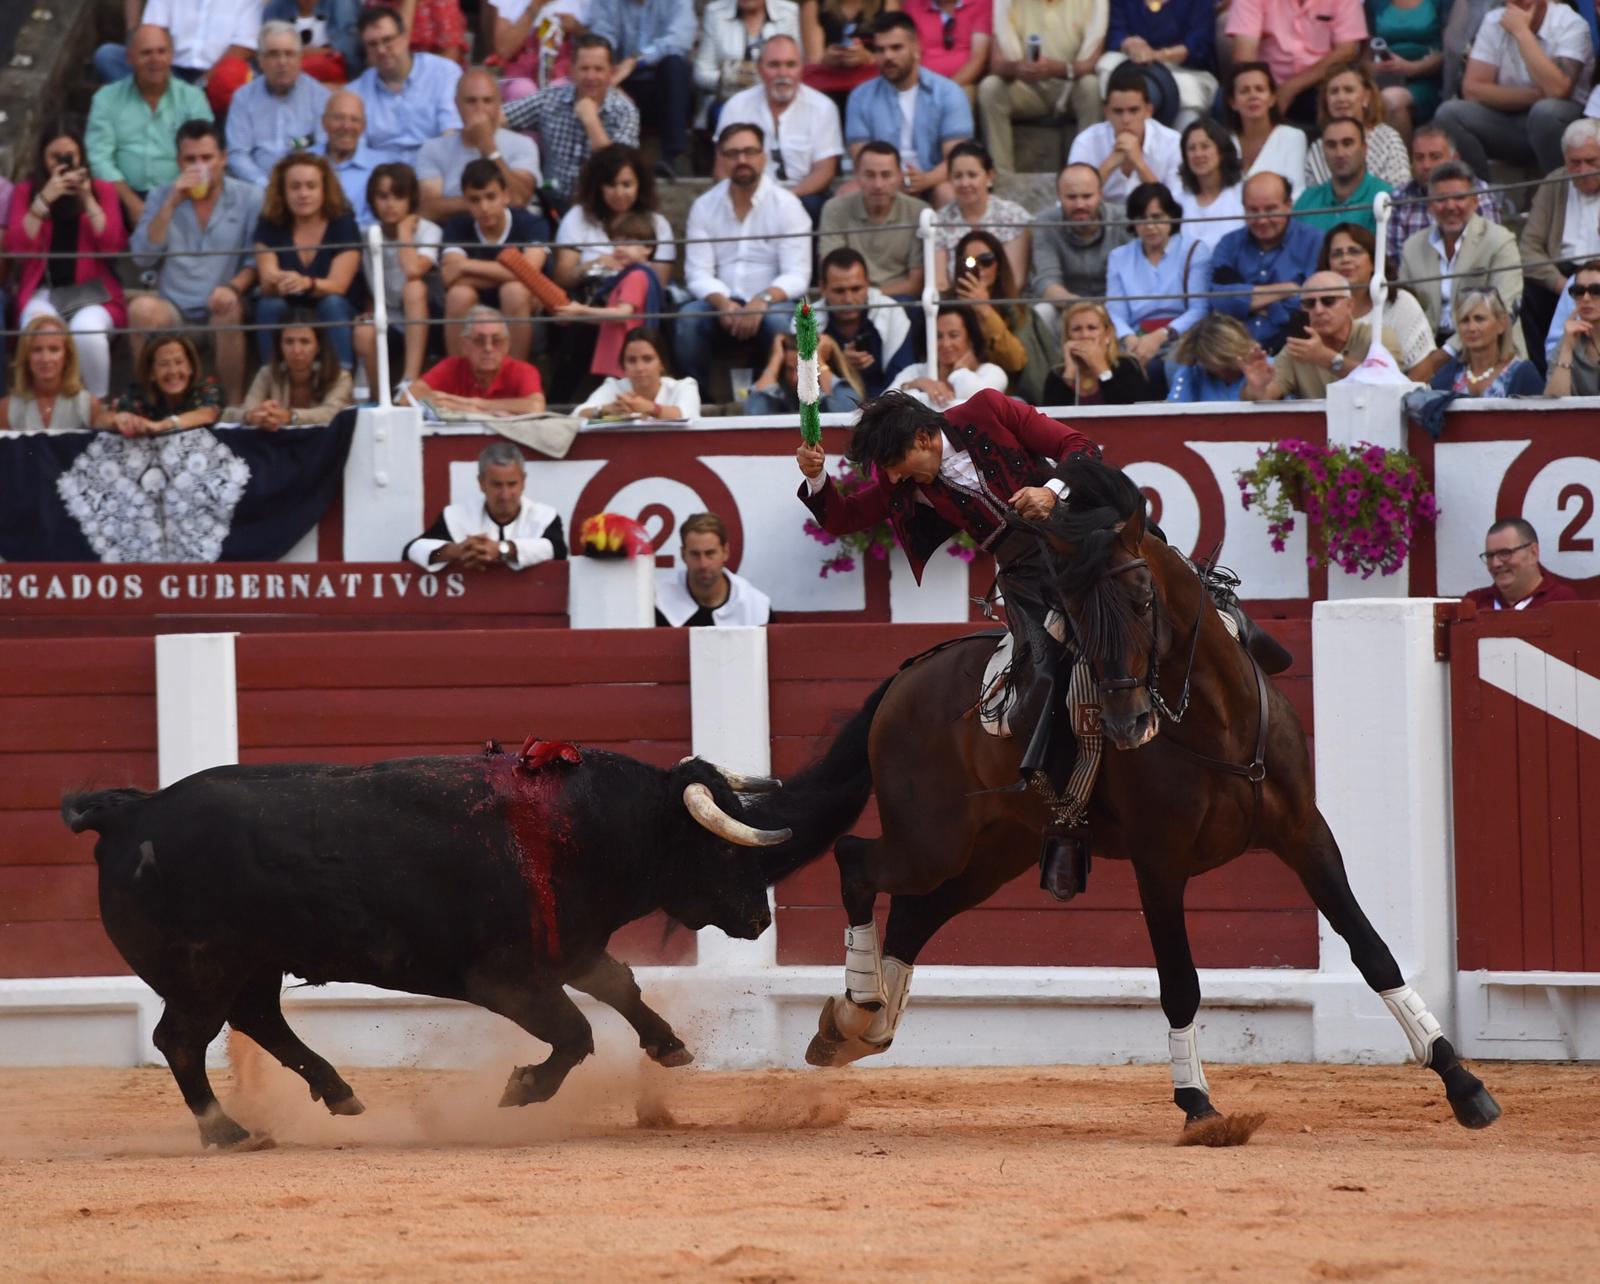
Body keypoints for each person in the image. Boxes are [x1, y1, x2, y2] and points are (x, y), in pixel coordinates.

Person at [795, 387, 1101, 888]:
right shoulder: (908, 483)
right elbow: (844, 517)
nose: (892, 477)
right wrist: (816, 477)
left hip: (1085, 544)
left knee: (1178, 603)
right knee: (1041, 678)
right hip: (1026, 580)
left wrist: (1051, 492)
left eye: (896, 463)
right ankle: (1065, 820)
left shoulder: (987, 410)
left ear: (924, 437)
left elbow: (1080, 447)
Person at [129, 120, 261, 406]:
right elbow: (142, 257)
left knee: (228, 309)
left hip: (222, 302)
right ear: (179, 162)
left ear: (223, 159)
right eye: (190, 159)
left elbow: (256, 261)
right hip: (175, 306)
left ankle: (233, 409)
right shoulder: (161, 196)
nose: (199, 166)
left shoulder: (249, 197)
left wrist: (233, 288)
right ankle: (149, 404)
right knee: (141, 310)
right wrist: (171, 204)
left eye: (207, 158)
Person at [677, 122, 812, 389]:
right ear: (721, 159)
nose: (742, 160)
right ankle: (698, 400)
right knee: (688, 320)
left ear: (764, 157)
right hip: (721, 304)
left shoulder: (787, 206)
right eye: (733, 153)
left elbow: (798, 275)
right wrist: (724, 303)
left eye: (750, 152)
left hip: (772, 302)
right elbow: (697, 272)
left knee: (779, 322)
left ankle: (779, 399)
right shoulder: (704, 206)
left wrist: (761, 301)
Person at [5, 123, 128, 398]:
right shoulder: (26, 192)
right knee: (38, 333)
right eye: (55, 157)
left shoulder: (103, 190)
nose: (62, 163)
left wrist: (86, 198)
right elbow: (18, 249)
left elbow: (112, 245)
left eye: (69, 156)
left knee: (86, 330)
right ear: (42, 158)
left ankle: (98, 404)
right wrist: (44, 200)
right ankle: (42, 406)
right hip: (44, 292)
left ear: (81, 156)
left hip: (94, 292)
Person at [1433, 0, 1592, 180]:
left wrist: (1522, 32)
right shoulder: (1494, 20)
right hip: (1510, 122)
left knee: (1546, 112)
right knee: (1449, 114)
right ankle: (1481, 196)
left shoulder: (1570, 23)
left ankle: (1562, 192)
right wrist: (1538, 94)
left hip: (1561, 126)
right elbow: (1473, 89)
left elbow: (1558, 91)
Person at [85, 25, 213, 226]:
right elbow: (99, 159)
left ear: (171, 56)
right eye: (146, 53)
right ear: (129, 59)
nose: (155, 60)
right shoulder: (106, 99)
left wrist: (174, 199)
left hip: (181, 193)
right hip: (122, 196)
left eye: (161, 51)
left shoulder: (192, 98)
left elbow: (204, 153)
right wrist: (131, 203)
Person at [843, 11, 973, 209]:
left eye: (896, 48)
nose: (888, 56)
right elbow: (862, 160)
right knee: (846, 193)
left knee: (947, 192)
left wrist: (926, 179)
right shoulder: (860, 98)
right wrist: (891, 182)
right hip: (882, 183)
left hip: (934, 180)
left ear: (916, 47)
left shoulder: (949, 93)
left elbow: (956, 159)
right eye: (880, 50)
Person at [1399, 160, 1525, 356]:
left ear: (1474, 201)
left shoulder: (1499, 241)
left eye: (1459, 197)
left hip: (1489, 350)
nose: (1450, 206)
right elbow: (1404, 310)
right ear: (1430, 205)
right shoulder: (1412, 247)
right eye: (1441, 199)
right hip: (1427, 349)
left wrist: (1447, 352)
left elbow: (1503, 308)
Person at [253, 152, 362, 373]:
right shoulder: (270, 223)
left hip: (334, 306)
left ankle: (341, 381)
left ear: (324, 189)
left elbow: (338, 284)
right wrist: (278, 282)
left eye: (311, 186)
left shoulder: (343, 224)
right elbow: (267, 276)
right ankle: (272, 378)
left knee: (331, 302)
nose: (303, 194)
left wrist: (306, 283)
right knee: (269, 304)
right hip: (288, 306)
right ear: (283, 191)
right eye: (295, 187)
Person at [503, 33, 642, 203]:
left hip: (601, 207)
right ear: (572, 71)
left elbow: (618, 169)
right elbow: (501, 116)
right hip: (552, 202)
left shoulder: (625, 111)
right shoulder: (551, 98)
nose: (591, 77)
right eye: (584, 68)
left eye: (598, 69)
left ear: (610, 73)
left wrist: (591, 120)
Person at [719, 35, 845, 223]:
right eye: (774, 65)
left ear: (802, 68)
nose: (782, 73)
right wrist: (749, 199)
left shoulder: (823, 107)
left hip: (801, 195)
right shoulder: (736, 106)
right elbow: (722, 167)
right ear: (760, 68)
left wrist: (785, 200)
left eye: (791, 65)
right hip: (748, 193)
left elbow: (824, 171)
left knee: (813, 206)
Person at [977, 0, 1104, 174]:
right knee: (990, 88)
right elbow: (997, 64)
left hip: (1069, 87)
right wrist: (1018, 68)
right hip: (1026, 89)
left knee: (1092, 86)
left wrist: (1057, 68)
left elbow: (1093, 62)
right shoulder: (1009, 3)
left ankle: (1087, 175)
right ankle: (1001, 177)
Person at [439, 159, 547, 362]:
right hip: (476, 305)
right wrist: (514, 274)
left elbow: (530, 272)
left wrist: (465, 266)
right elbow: (449, 276)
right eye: (475, 200)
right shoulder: (457, 226)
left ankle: (513, 379)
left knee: (514, 292)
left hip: (525, 309)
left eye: (491, 197)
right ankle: (458, 378)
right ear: (465, 201)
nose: (484, 207)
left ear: (506, 196)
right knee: (458, 295)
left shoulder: (531, 224)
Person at [404, 439, 567, 571]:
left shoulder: (543, 517)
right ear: (481, 483)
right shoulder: (456, 516)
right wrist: (454, 551)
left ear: (523, 482)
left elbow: (558, 550)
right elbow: (411, 550)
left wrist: (503, 550)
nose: (505, 495)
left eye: (512, 484)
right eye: (497, 485)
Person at [1241, 270, 1405, 400]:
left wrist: (1327, 359)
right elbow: (1264, 397)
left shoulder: (1377, 337)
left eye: (1328, 301)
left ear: (1349, 306)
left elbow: (1389, 384)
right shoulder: (1298, 349)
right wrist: (1256, 388)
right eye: (1310, 304)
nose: (1318, 310)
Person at [1105, 181, 1211, 378]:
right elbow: (1115, 311)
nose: (1150, 226)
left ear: (1172, 217)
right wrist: (1130, 339)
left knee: (1173, 365)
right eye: (1142, 218)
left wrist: (1160, 336)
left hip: (1184, 335)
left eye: (1157, 217)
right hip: (1135, 338)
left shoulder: (1195, 250)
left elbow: (1199, 309)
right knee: (1122, 371)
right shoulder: (1118, 257)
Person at [1210, 171, 1324, 352]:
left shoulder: (1314, 242)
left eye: (1270, 210)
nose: (1262, 219)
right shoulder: (1228, 244)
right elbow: (1218, 300)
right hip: (1231, 349)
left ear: (1288, 205)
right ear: (1244, 208)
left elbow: (1312, 305)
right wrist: (1289, 289)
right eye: (1253, 210)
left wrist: (1245, 302)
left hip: (1290, 349)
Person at [354, 163, 441, 394]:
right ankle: (376, 396)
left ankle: (408, 380)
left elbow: (413, 270)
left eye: (399, 196)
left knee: (414, 288)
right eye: (383, 196)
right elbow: (365, 282)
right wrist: (369, 307)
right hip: (388, 317)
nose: (390, 204)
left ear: (411, 199)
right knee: (363, 329)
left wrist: (404, 231)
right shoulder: (366, 235)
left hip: (427, 320)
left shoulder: (428, 230)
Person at [1520, 118, 1600, 369]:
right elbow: (1529, 247)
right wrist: (1562, 285)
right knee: (1527, 295)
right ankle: (1543, 372)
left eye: (1591, 161)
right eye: (1575, 163)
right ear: (1565, 160)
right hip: (1561, 276)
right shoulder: (1554, 183)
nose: (1583, 170)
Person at [417, 69, 542, 225]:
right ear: (456, 104)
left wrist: (488, 148)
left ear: (499, 103)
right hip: (455, 238)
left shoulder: (523, 145)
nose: (479, 108)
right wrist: (491, 200)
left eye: (487, 101)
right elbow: (429, 209)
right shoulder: (432, 149)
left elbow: (518, 199)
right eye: (471, 101)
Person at [1320, 222, 1441, 381]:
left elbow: (1423, 368)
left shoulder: (1400, 303)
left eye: (1354, 251)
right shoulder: (1316, 307)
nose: (1345, 259)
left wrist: (1396, 403)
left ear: (1374, 261)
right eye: (1336, 254)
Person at [589, 0, 696, 180]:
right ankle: (613, 168)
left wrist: (635, 60)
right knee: (596, 72)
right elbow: (602, 38)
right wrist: (611, 78)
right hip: (621, 82)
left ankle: (673, 158)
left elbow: (679, 40)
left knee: (675, 65)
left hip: (663, 85)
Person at [552, 208, 662, 381]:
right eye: (616, 243)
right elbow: (610, 317)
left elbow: (622, 314)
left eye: (627, 243)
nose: (619, 248)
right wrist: (575, 316)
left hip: (626, 357)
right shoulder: (631, 275)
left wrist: (581, 310)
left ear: (647, 248)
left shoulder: (635, 276)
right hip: (622, 357)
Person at [551, 144, 675, 292]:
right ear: (597, 186)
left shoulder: (658, 224)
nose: (619, 193)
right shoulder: (578, 216)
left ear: (640, 185)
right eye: (611, 184)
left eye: (627, 185)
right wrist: (593, 266)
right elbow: (561, 278)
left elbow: (659, 285)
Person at [349, 6, 464, 166]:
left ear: (405, 37)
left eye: (388, 40)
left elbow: (451, 133)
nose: (381, 50)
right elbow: (357, 150)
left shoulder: (443, 72)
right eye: (372, 44)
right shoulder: (355, 92)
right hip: (379, 175)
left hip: (434, 168)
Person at [96, 0, 256, 113]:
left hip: (215, 78)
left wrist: (202, 84)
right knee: (108, 56)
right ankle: (164, 109)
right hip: (169, 70)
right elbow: (154, 30)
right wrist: (168, 78)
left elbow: (243, 47)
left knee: (249, 81)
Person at [948, 228, 1053, 400]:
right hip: (953, 389)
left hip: (1007, 394)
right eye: (970, 262)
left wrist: (985, 310)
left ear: (998, 266)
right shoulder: (945, 305)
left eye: (986, 260)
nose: (979, 268)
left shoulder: (1017, 310)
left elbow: (1016, 361)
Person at [226, 21, 332, 188]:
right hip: (258, 189)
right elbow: (237, 154)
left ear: (300, 58)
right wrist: (265, 185)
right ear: (260, 60)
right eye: (273, 54)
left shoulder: (320, 97)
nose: (282, 61)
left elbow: (324, 148)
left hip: (306, 189)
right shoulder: (243, 99)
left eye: (289, 54)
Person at [1225, 0, 1367, 125]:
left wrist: (1290, 88)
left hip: (1320, 81)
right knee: (1228, 100)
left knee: (1341, 97)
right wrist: (1261, 91)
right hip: (1268, 82)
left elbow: (1346, 51)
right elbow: (1244, 55)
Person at [816, 140, 926, 297]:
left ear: (899, 176)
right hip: (848, 296)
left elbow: (915, 285)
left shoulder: (919, 212)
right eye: (870, 175)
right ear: (857, 175)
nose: (878, 184)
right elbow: (831, 275)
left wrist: (870, 296)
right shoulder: (834, 209)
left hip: (897, 298)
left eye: (886, 175)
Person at [1029, 161, 1131, 330]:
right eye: (1071, 197)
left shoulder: (1123, 219)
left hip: (1116, 308)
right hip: (1066, 308)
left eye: (1087, 196)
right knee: (1042, 311)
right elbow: (1047, 283)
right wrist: (1084, 308)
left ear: (1100, 194)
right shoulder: (1046, 223)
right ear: (1059, 196)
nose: (1080, 205)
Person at [1068, 62, 1183, 212]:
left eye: (1133, 110)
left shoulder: (1172, 142)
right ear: (1107, 112)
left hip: (1151, 225)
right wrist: (1109, 164)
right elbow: (1075, 200)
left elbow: (1175, 209)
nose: (1126, 120)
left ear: (1148, 111)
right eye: (1118, 111)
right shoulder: (1086, 141)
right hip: (1102, 223)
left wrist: (1139, 163)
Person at [1385, 125, 1500, 268]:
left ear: (1455, 159)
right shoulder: (1399, 198)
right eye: (1419, 158)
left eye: (1435, 157)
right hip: (1413, 286)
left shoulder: (1478, 192)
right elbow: (1395, 262)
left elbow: (1491, 251)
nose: (1426, 165)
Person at [1095, 0, 1218, 128]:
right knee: (1106, 65)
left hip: (1183, 71)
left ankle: (1181, 144)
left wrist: (1157, 55)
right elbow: (1116, 33)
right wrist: (1129, 44)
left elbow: (1199, 46)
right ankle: (1113, 129)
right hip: (1133, 62)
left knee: (1190, 97)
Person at [815, 245, 914, 398]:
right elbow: (802, 386)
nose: (848, 300)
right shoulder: (806, 320)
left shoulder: (891, 313)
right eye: (839, 291)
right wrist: (840, 365)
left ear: (868, 283)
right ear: (822, 287)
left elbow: (903, 377)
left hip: (885, 411)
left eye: (856, 289)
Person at [412, 305, 548, 415]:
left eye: (496, 340)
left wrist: (474, 404)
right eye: (479, 340)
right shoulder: (451, 367)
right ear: (465, 345)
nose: (488, 348)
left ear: (507, 345)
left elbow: (536, 407)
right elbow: (409, 397)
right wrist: (467, 409)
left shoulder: (522, 370)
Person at [931, 140, 1031, 290]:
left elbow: (1015, 281)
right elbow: (940, 284)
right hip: (957, 304)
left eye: (972, 175)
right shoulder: (938, 221)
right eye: (958, 176)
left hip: (1002, 304)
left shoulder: (1012, 216)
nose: (965, 183)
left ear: (989, 177)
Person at [225, 318, 355, 426]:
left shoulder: (340, 377)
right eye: (289, 342)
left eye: (305, 342)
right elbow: (236, 413)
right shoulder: (267, 373)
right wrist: (253, 416)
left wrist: (291, 416)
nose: (296, 350)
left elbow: (332, 413)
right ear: (280, 346)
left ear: (318, 347)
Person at [694, 0, 803, 129]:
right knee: (729, 115)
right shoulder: (715, 12)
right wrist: (736, 79)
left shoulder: (788, 12)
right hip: (728, 99)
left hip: (776, 97)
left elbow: (794, 64)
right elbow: (701, 72)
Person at [1303, 63, 1411, 190]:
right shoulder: (1316, 150)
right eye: (1334, 92)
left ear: (1366, 97)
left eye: (1349, 90)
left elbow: (1401, 193)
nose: (1341, 98)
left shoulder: (1388, 139)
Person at [655, 512, 773, 627]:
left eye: (710, 553)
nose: (703, 564)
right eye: (695, 554)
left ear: (725, 552)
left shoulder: (755, 607)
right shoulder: (659, 601)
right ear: (683, 554)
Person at [0, 317, 110, 432]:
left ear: (67, 356)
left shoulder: (89, 405)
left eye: (54, 350)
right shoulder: (6, 409)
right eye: (37, 350)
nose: (45, 359)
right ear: (26, 356)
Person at [1427, 287, 1543, 396]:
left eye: (1479, 319)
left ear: (1501, 324)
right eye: (1465, 320)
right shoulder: (1447, 376)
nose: (1471, 328)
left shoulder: (1523, 374)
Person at [888, 304, 1007, 406]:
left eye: (954, 335)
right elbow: (883, 405)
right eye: (938, 336)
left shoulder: (992, 372)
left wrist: (960, 371)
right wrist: (917, 384)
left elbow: (975, 400)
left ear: (971, 338)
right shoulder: (916, 372)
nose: (945, 344)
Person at [110, 332, 224, 437]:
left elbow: (207, 414)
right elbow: (104, 417)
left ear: (191, 367)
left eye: (179, 362)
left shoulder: (207, 387)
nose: (173, 371)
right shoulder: (138, 394)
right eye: (164, 364)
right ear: (151, 373)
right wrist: (120, 419)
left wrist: (160, 426)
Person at [1041, 301, 1153, 405]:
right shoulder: (1056, 375)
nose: (1085, 335)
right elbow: (1052, 420)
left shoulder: (1128, 366)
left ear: (1107, 334)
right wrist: (1069, 374)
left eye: (1092, 328)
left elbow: (1129, 411)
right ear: (1068, 336)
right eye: (1077, 329)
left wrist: (1101, 369)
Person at [1292, 118, 1392, 235]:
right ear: (1323, 151)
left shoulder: (1386, 197)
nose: (1339, 153)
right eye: (1331, 145)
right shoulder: (1306, 201)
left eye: (1347, 144)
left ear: (1364, 149)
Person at [1225, 60, 1308, 200]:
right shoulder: (1224, 142)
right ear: (1233, 103)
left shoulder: (1292, 137)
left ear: (1272, 98)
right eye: (1244, 91)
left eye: (1260, 89)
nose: (1253, 96)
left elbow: (1296, 192)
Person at [576, 328, 701, 419]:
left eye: (647, 359)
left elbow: (687, 415)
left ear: (662, 363)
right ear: (623, 365)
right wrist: (605, 410)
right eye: (631, 360)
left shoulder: (684, 386)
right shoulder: (614, 387)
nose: (639, 368)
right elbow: (577, 415)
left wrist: (651, 408)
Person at [1369, 0, 1444, 141]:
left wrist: (1411, 68)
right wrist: (1374, 67)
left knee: (1392, 100)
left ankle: (1403, 162)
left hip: (1427, 79)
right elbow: (1363, 56)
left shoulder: (1441, 3)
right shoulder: (1375, 3)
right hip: (1383, 78)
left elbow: (1450, 52)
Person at [1463, 518, 1578, 610]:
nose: (1495, 563)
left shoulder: (1561, 601)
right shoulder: (1474, 603)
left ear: (1533, 553)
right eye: (1490, 556)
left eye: (1505, 553)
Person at [315, 91, 385, 230]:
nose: (346, 126)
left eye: (354, 120)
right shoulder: (304, 162)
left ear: (363, 126)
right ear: (324, 123)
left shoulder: (381, 167)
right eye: (339, 118)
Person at [747, 329, 862, 413]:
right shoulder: (781, 393)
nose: (795, 379)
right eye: (789, 369)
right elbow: (755, 411)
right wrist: (776, 359)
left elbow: (846, 412)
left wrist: (819, 360)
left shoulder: (841, 391)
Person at [799, 0, 893, 98]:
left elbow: (893, 54)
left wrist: (867, 57)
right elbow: (814, 60)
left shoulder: (887, 3)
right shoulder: (813, 4)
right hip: (829, 90)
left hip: (875, 90)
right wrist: (827, 59)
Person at [1176, 117, 1245, 248]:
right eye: (1191, 148)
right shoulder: (1178, 201)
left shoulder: (1242, 195)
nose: (1198, 154)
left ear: (1221, 152)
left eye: (1205, 146)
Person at [903, 0, 992, 101]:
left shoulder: (981, 3)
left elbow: (979, 58)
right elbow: (912, 56)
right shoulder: (913, 5)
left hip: (965, 83)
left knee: (961, 95)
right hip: (924, 85)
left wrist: (945, 89)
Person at [263, 0, 365, 83]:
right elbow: (270, 53)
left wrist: (301, 53)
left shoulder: (343, 3)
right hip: (290, 81)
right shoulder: (275, 8)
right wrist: (325, 51)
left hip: (340, 80)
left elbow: (350, 49)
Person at [1165, 312, 1253, 401]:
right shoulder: (1196, 374)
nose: (1223, 372)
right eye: (1214, 366)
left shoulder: (1261, 367)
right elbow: (1176, 406)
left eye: (1226, 365)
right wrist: (1187, 366)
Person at [1544, 260, 1600, 395]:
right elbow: (1554, 405)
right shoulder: (1568, 339)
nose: (1586, 298)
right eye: (1579, 291)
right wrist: (1567, 350)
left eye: (1596, 291)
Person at [374, 0, 472, 63]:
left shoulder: (442, 2)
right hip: (389, 76)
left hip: (434, 81)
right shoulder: (376, 3)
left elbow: (449, 60)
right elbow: (383, 54)